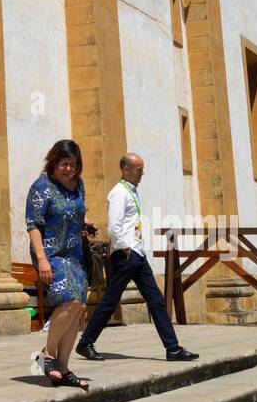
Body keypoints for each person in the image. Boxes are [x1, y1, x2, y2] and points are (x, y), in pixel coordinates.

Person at [76, 152, 198, 362]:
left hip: (137, 254)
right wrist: (126, 248)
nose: (142, 173)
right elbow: (114, 227)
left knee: (156, 300)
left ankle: (173, 348)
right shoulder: (118, 193)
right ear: (126, 170)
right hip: (126, 255)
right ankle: (85, 342)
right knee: (110, 300)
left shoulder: (130, 191)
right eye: (139, 169)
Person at [25, 139, 97, 390]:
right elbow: (33, 224)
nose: (69, 169)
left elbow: (77, 210)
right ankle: (48, 354)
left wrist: (86, 222)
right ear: (54, 161)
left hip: (74, 252)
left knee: (79, 307)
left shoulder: (79, 185)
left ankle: (63, 368)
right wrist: (42, 259)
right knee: (70, 300)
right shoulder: (41, 186)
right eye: (64, 164)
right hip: (50, 252)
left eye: (74, 165)